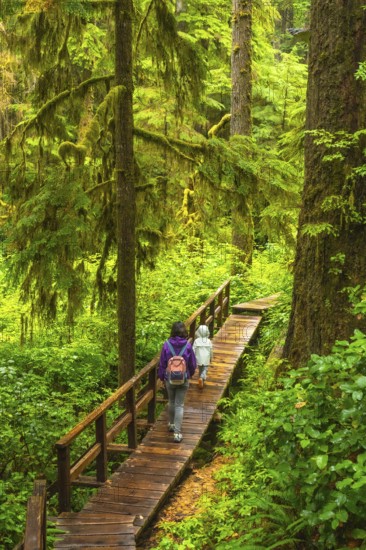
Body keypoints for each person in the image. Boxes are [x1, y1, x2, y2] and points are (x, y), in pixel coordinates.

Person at [158, 321, 196, 443]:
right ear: (184, 332)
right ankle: (177, 433)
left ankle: (171, 424)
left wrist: (162, 377)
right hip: (183, 379)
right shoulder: (188, 346)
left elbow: (162, 363)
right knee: (179, 405)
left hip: (169, 378)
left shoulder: (166, 345)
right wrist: (189, 374)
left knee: (171, 402)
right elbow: (193, 364)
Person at [193, 324, 213, 389]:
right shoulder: (208, 341)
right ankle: (201, 378)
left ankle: (201, 380)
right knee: (205, 369)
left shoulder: (196, 341)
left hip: (198, 358)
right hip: (206, 358)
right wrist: (211, 358)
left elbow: (193, 349)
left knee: (200, 369)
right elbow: (211, 350)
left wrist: (193, 358)